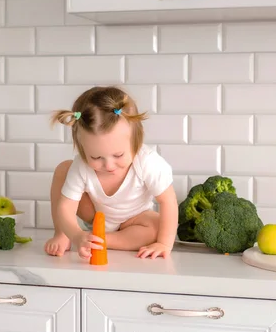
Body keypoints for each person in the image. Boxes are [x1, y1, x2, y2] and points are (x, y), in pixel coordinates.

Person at [44, 86, 178, 260]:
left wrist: (164, 243)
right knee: (64, 169)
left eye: (118, 155)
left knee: (157, 225)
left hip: (134, 220)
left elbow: (168, 201)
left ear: (136, 141)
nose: (109, 165)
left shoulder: (147, 161)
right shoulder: (82, 166)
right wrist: (76, 235)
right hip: (94, 214)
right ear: (82, 147)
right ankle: (62, 234)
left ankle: (100, 240)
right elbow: (66, 207)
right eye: (96, 156)